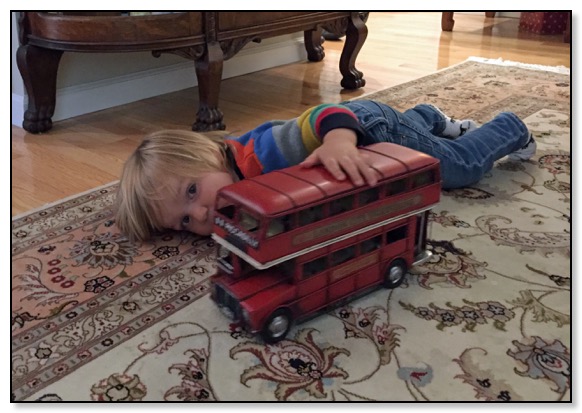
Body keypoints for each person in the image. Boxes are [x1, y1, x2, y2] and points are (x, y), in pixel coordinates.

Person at [115, 101, 535, 241]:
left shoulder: (262, 154)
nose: (202, 214)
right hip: (369, 130)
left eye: (192, 192)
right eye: (184, 222)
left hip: (369, 131)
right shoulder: (230, 191)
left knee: (456, 168)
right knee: (429, 138)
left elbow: (325, 114)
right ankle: (427, 116)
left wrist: (337, 141)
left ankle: (510, 128)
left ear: (209, 154)